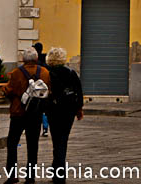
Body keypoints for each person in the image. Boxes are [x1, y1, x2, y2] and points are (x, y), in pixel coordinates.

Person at [4, 47, 51, 184]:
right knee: (33, 145)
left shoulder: (16, 73)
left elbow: (8, 90)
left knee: (12, 142)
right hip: (35, 113)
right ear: (36, 59)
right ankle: (30, 176)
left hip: (18, 112)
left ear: (23, 59)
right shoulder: (45, 73)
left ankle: (12, 174)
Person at [45, 47, 84, 183]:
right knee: (63, 139)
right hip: (68, 111)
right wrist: (79, 109)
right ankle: (58, 170)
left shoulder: (47, 74)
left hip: (53, 110)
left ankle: (58, 171)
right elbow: (78, 91)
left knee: (57, 140)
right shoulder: (71, 73)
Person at [33, 42, 49, 137]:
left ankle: (34, 127)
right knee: (44, 111)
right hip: (44, 88)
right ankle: (45, 129)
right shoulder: (45, 61)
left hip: (36, 88)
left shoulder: (35, 62)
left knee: (35, 109)